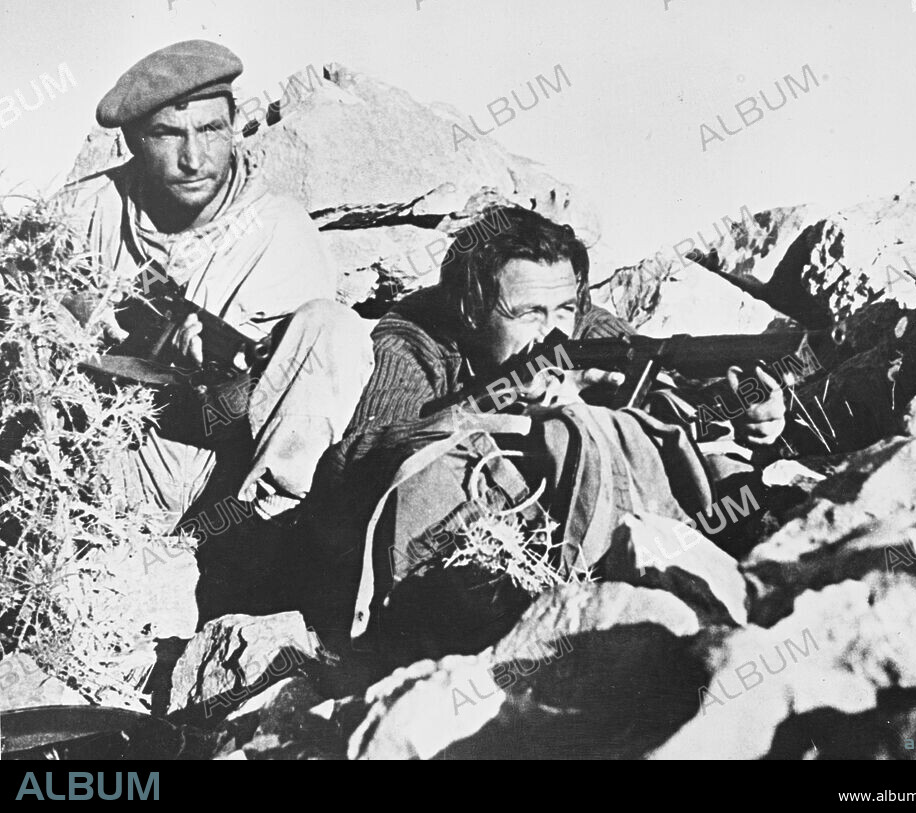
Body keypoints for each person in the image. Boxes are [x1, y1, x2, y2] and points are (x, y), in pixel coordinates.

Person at [303, 205, 785, 651]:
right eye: (528, 314)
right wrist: (507, 403)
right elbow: (366, 457)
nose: (552, 332)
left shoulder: (580, 323)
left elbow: (675, 381)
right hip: (463, 549)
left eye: (565, 311)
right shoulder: (413, 337)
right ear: (471, 310)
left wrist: (739, 405)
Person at [60, 40, 373, 617]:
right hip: (114, 463)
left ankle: (263, 539)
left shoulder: (277, 228)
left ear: (236, 126)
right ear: (131, 142)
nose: (194, 159)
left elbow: (252, 399)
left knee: (335, 329)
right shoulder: (85, 214)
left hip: (225, 473)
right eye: (168, 135)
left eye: (211, 130)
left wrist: (174, 350)